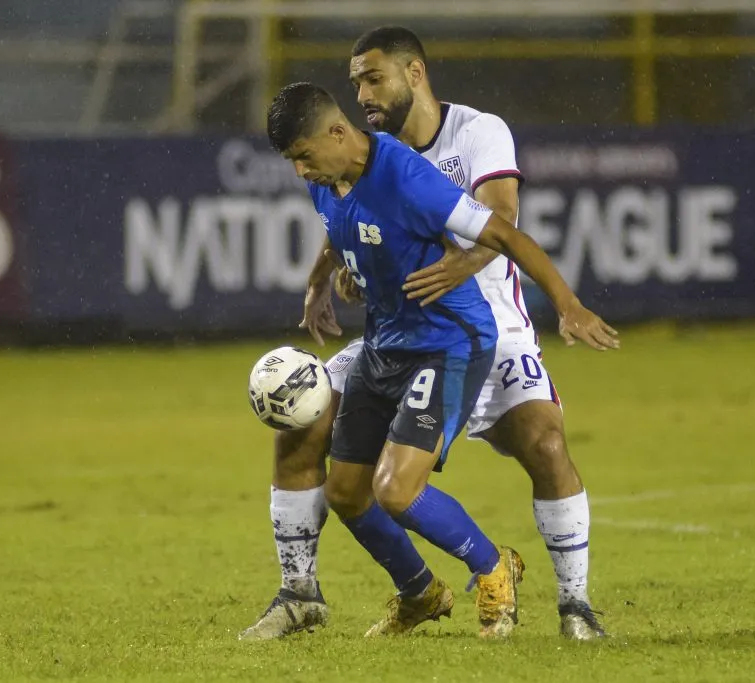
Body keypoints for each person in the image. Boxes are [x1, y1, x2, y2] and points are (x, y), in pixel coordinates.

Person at [240, 28, 611, 643]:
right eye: (356, 82)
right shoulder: (332, 169)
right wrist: (330, 276)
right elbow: (346, 219)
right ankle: (369, 592)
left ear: (414, 73)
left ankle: (560, 598)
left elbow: (504, 227)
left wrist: (566, 305)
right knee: (331, 469)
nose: (364, 93)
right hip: (392, 335)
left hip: (465, 332)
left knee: (535, 449)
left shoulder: (445, 151)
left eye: (373, 78)